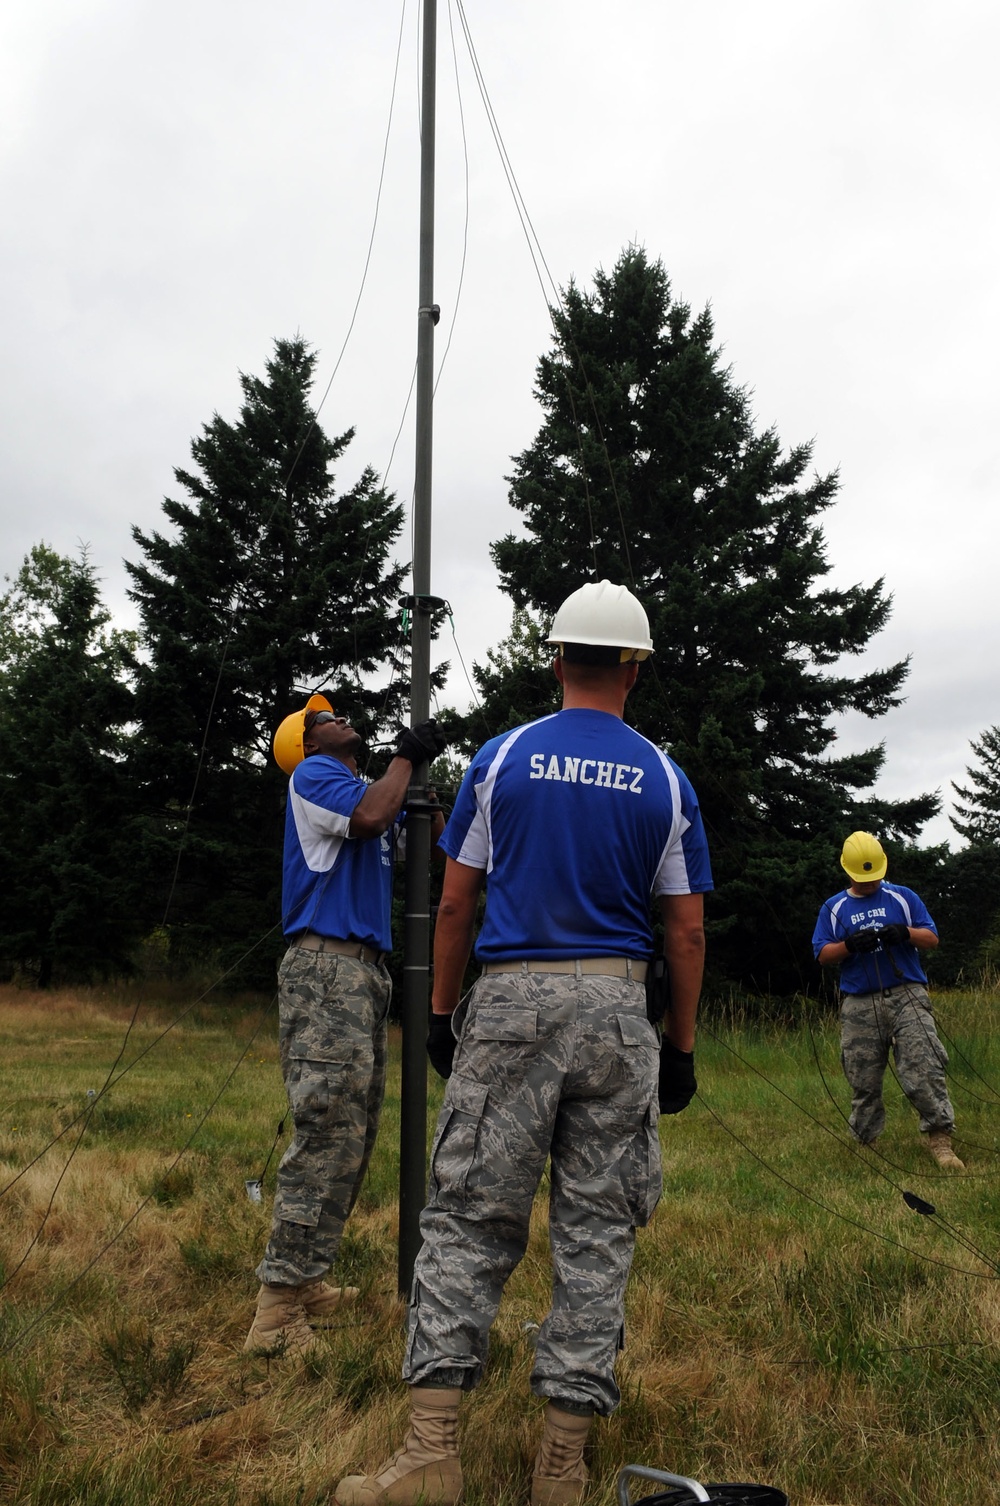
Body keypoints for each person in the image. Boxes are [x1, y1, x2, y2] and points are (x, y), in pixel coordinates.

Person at [335, 581, 713, 1506]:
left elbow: (456, 900)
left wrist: (438, 1014)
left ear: (555, 660)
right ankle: (562, 1469)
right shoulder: (665, 780)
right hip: (619, 1014)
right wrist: (682, 1047)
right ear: (635, 668)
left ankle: (430, 1455)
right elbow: (687, 931)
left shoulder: (500, 761)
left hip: (506, 1010)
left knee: (467, 1219)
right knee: (596, 1236)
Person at [244, 695, 447, 1355]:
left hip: (361, 975)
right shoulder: (316, 779)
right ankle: (276, 1313)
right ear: (306, 744)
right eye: (322, 719)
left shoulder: (366, 785)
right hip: (325, 969)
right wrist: (405, 756)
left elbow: (426, 847)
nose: (337, 718)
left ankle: (306, 1281)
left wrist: (423, 789)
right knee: (327, 1131)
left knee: (353, 1137)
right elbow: (370, 818)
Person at [812, 831, 962, 1169]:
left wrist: (905, 933)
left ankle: (941, 1141)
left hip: (907, 995)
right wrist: (849, 946)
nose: (869, 884)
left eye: (874, 877)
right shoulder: (833, 908)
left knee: (924, 1066)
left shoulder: (904, 897)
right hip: (860, 1002)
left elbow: (932, 938)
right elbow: (822, 953)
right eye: (862, 879)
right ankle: (866, 1143)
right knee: (862, 1077)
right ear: (847, 871)